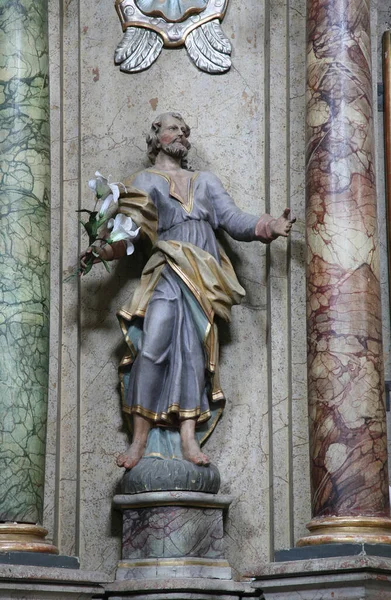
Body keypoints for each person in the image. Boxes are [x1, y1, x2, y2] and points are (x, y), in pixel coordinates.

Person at [81, 112, 295, 470]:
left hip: (205, 277)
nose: (180, 133)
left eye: (184, 130)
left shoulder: (206, 181)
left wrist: (269, 225)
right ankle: (139, 439)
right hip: (167, 269)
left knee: (193, 352)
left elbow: (233, 219)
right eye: (172, 128)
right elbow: (129, 233)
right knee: (151, 346)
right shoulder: (144, 181)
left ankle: (187, 436)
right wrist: (102, 248)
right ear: (156, 136)